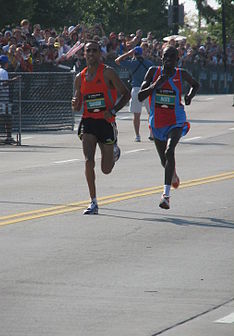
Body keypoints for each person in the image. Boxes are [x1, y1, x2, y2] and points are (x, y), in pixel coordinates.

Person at [72, 40, 130, 215]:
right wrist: (74, 103)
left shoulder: (108, 73)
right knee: (89, 160)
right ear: (84, 54)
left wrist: (112, 110)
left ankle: (113, 151)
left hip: (106, 122)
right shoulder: (79, 77)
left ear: (100, 53)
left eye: (94, 51)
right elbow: (77, 104)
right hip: (88, 121)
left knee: (106, 169)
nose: (91, 54)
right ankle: (93, 202)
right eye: (88, 51)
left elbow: (126, 94)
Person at [138, 46, 199, 209]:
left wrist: (190, 96)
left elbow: (195, 84)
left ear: (177, 59)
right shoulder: (153, 72)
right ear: (161, 57)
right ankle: (172, 173)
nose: (169, 59)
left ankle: (166, 196)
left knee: (169, 151)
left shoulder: (181, 73)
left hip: (176, 120)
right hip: (157, 121)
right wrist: (156, 85)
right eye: (166, 56)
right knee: (164, 161)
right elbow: (140, 96)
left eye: (173, 56)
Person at [115, 46, 153, 142]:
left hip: (136, 89)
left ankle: (137, 135)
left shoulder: (132, 63)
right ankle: (152, 133)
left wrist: (128, 53)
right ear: (142, 53)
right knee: (151, 113)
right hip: (147, 89)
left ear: (134, 54)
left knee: (136, 115)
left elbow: (117, 61)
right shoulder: (148, 63)